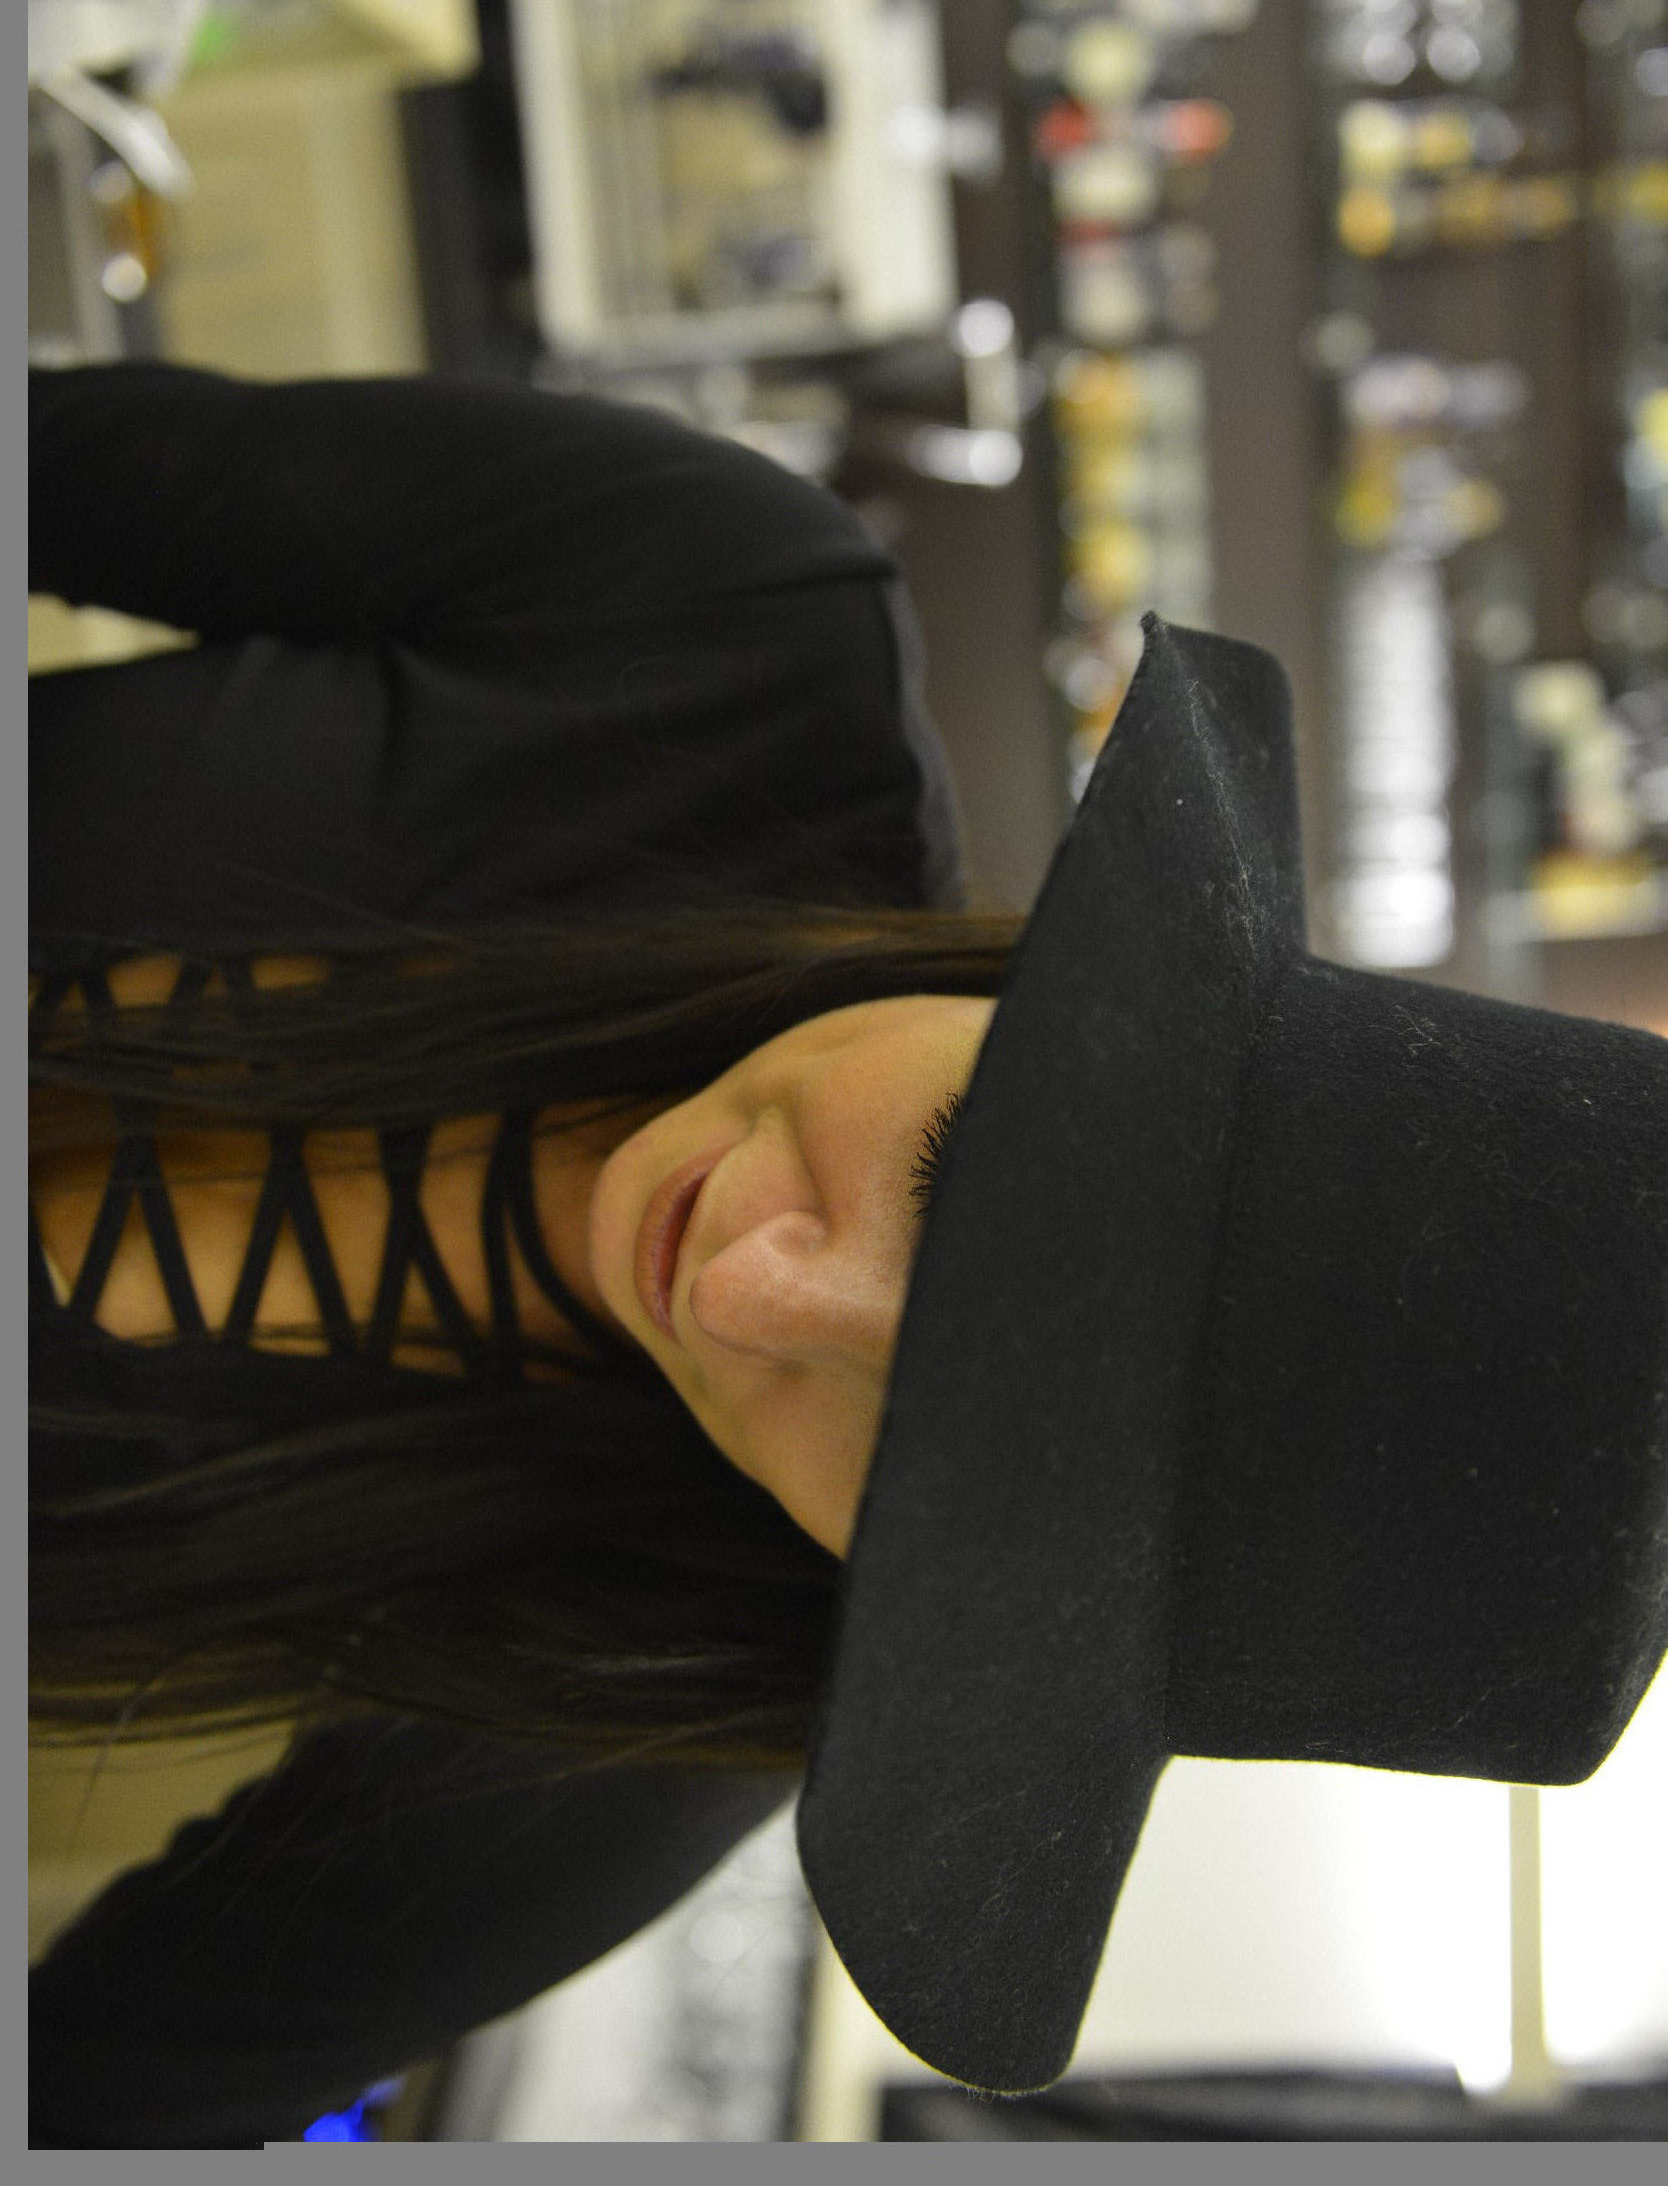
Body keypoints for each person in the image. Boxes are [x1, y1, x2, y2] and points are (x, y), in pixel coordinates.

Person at [30, 362, 1668, 2134]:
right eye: (951, 1189)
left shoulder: (605, 1716)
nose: (749, 1291)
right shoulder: (714, 628)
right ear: (1104, 995)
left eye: (919, 1486)